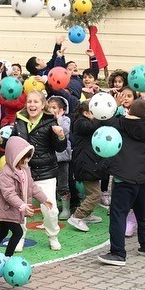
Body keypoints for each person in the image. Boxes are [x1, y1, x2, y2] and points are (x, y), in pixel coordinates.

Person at [96, 100, 145, 266]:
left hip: (123, 178)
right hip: (142, 178)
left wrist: (116, 106)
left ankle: (118, 253)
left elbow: (104, 120)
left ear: (129, 110)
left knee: (118, 215)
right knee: (142, 212)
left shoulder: (120, 123)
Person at [12, 90, 65, 251]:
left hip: (46, 171)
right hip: (23, 172)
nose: (32, 105)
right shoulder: (19, 120)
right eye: (29, 102)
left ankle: (53, 236)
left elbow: (60, 148)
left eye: (36, 102)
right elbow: (13, 143)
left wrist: (61, 136)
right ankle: (19, 237)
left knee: (49, 208)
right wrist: (2, 141)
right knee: (19, 208)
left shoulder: (50, 122)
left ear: (43, 105)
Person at [0, 136, 51, 256]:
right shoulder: (5, 174)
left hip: (11, 207)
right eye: (23, 158)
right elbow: (8, 194)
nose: (26, 161)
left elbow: (32, 186)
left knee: (2, 232)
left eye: (28, 157)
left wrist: (44, 199)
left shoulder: (24, 169)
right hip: (4, 208)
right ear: (14, 156)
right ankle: (7, 257)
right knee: (18, 233)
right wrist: (22, 205)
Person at [65, 98, 109, 232]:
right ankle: (77, 216)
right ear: (86, 112)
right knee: (95, 194)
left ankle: (87, 214)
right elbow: (90, 127)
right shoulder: (80, 122)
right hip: (85, 163)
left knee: (92, 191)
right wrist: (99, 117)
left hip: (90, 162)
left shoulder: (85, 121)